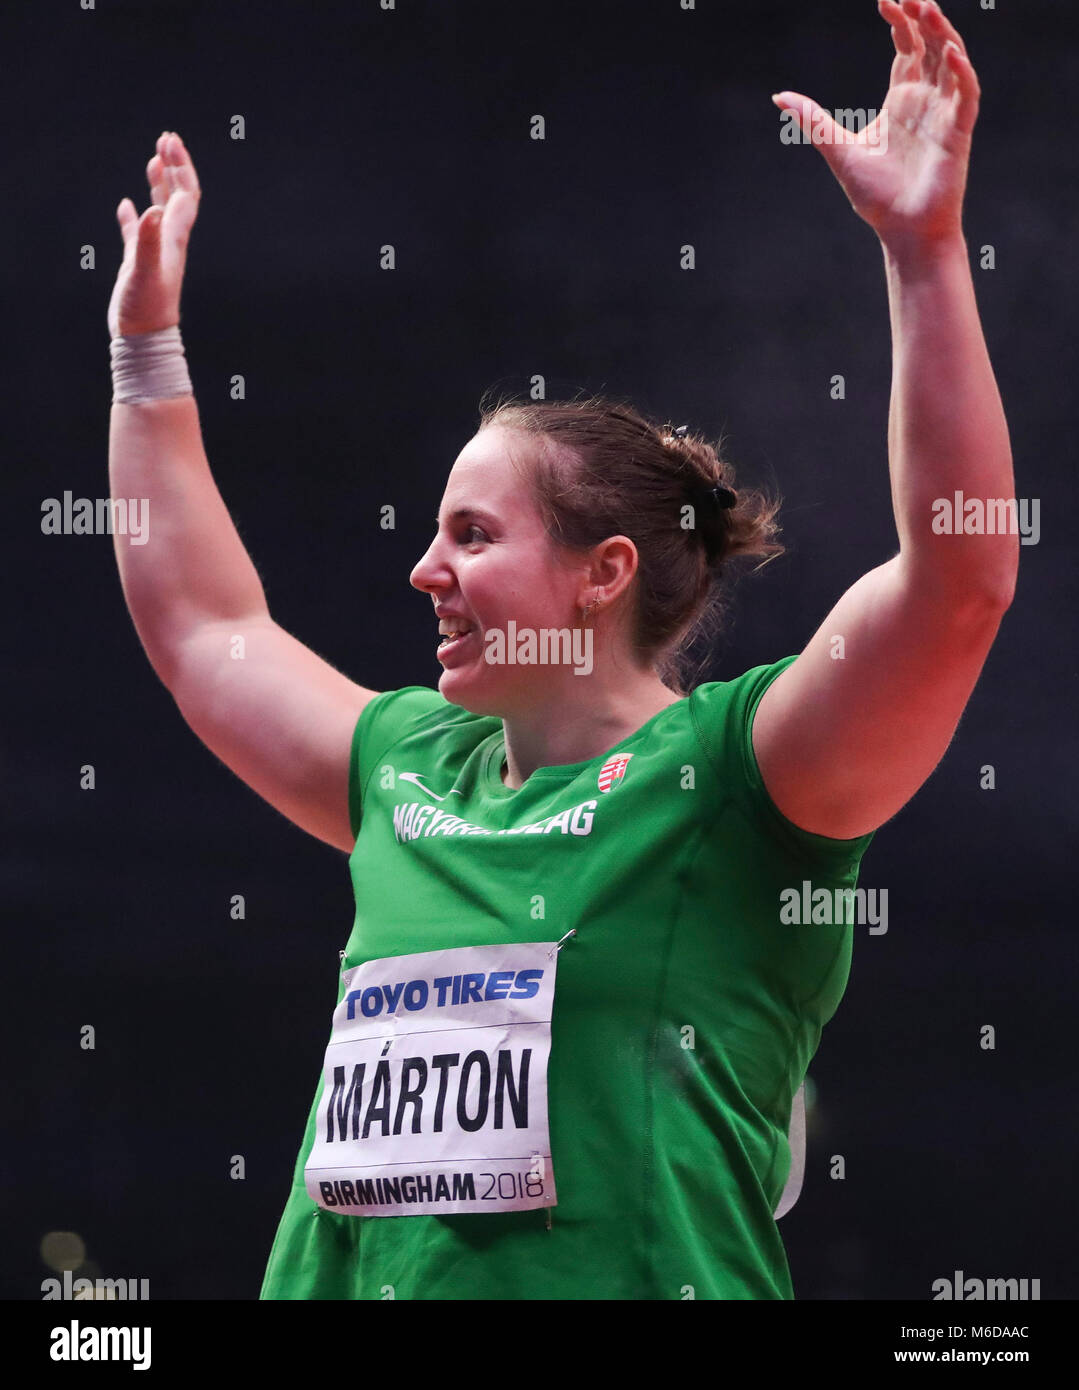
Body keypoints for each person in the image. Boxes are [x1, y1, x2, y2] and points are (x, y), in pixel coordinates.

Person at [107, 0, 1016, 1299]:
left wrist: (924, 254)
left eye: (472, 534)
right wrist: (144, 354)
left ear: (604, 573)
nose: (425, 569)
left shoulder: (740, 781)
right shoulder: (405, 767)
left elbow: (961, 582)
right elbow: (206, 628)